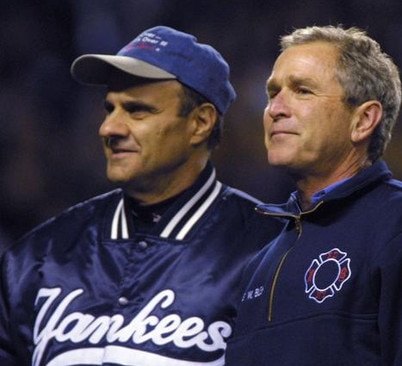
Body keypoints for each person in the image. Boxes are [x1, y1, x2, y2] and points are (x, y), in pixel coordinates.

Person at [0, 26, 283, 365]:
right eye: (110, 109)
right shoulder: (37, 258)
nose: (110, 128)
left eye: (137, 111)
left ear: (200, 123)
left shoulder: (270, 252)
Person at [225, 25, 402, 365]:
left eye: (303, 91)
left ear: (363, 120)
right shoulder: (262, 262)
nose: (275, 109)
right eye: (272, 93)